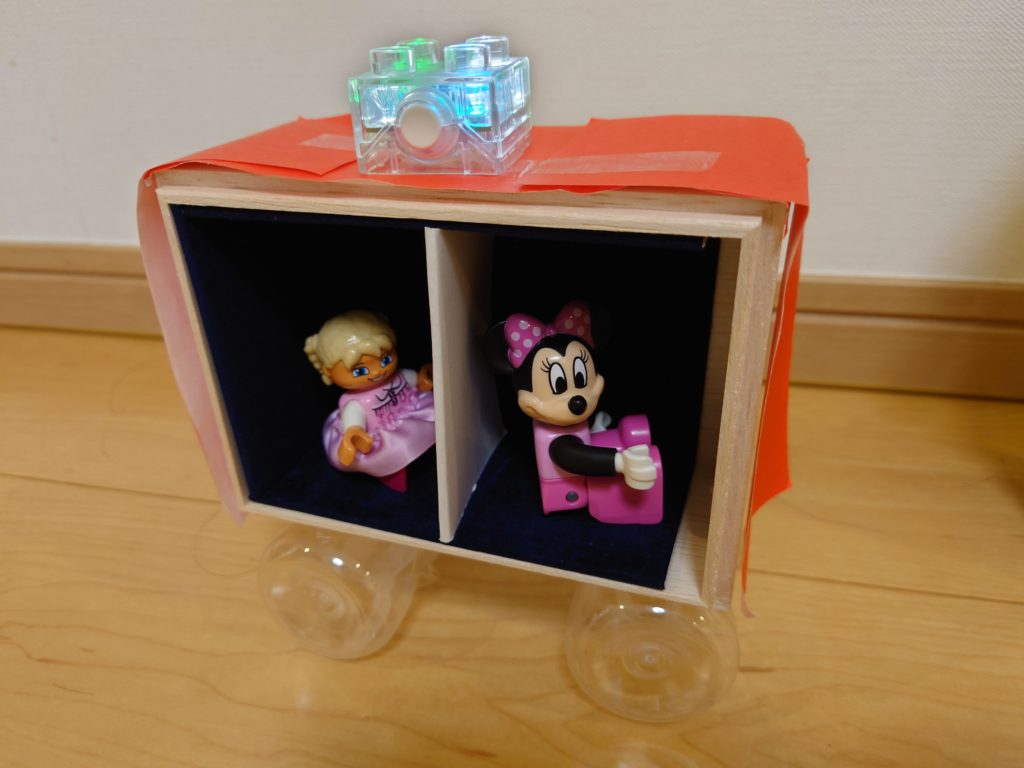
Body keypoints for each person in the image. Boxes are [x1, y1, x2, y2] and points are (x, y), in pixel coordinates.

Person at [305, 311, 435, 492]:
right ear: (328, 372)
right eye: (360, 371)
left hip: (413, 410)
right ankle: (390, 472)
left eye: (385, 359)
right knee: (388, 454)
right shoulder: (355, 403)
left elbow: (412, 380)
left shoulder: (397, 376)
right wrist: (354, 433)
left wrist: (423, 380)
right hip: (385, 434)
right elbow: (354, 423)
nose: (377, 372)